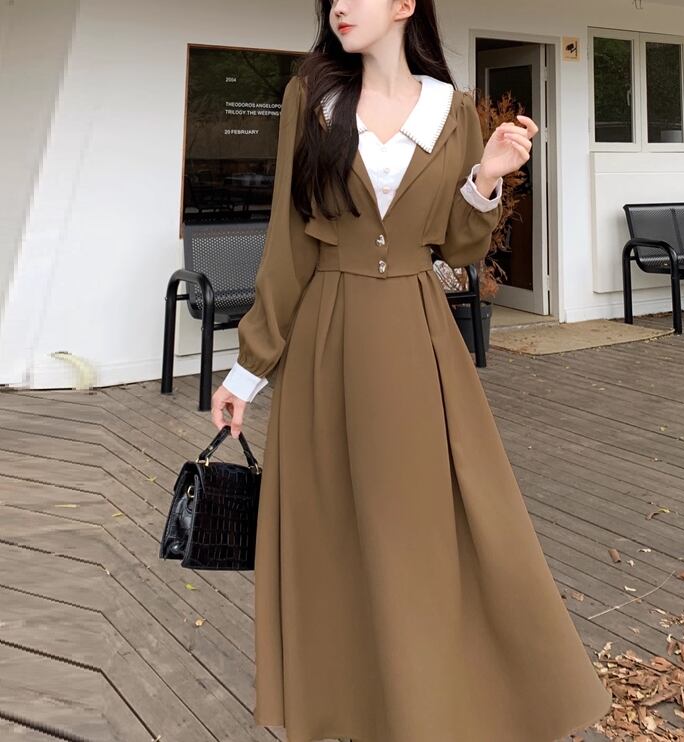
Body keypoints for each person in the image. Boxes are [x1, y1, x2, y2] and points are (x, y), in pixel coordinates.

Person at [211, 1, 613, 740]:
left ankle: (440, 705)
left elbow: (459, 247)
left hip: (417, 337)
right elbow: (287, 242)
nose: (339, 6)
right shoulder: (311, 97)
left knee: (427, 528)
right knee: (332, 531)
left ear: (404, 5)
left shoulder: (453, 110)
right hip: (327, 336)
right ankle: (351, 710)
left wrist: (487, 176)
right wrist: (249, 370)